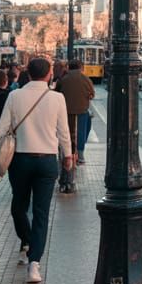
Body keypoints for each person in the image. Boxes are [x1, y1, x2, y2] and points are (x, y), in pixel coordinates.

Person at [0, 57, 72, 284]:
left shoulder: (15, 96)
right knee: (41, 212)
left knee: (19, 205)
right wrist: (67, 155)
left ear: (29, 73)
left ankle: (26, 241)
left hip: (20, 160)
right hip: (46, 162)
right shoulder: (57, 98)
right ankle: (35, 262)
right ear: (48, 75)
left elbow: (2, 126)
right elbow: (63, 131)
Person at [54, 59, 95, 193]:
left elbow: (56, 92)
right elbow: (92, 94)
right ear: (81, 67)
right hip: (81, 114)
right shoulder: (86, 79)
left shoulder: (63, 79)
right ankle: (77, 160)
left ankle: (64, 178)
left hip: (65, 114)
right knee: (77, 141)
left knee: (66, 145)